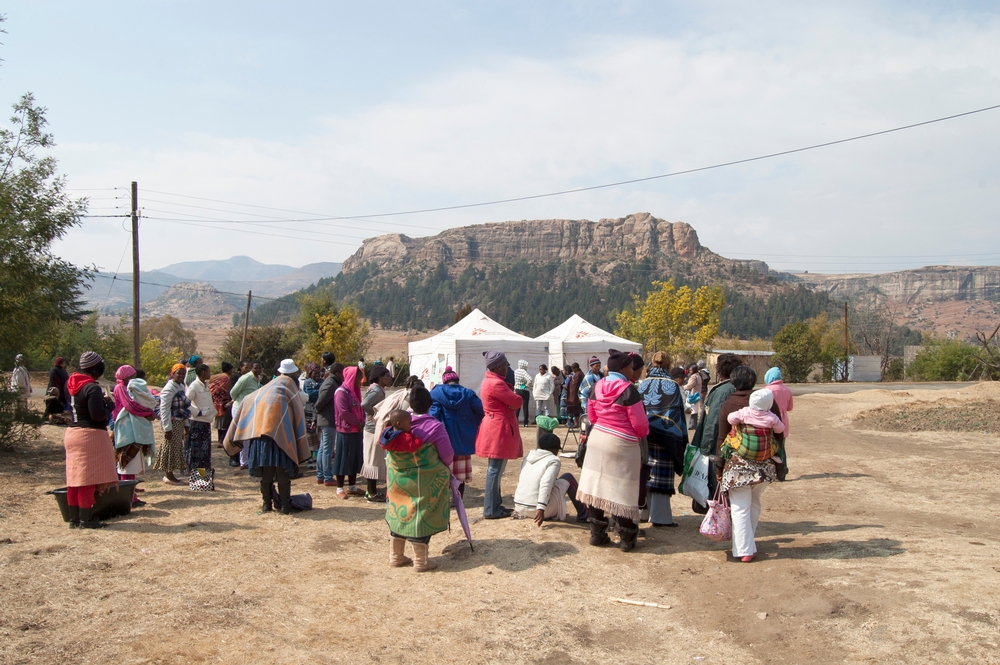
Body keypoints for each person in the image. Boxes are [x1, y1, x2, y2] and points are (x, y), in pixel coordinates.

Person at [577, 349, 650, 552]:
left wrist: (604, 428)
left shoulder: (596, 386)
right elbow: (640, 425)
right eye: (630, 367)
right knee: (622, 490)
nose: (632, 370)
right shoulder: (628, 390)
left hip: (598, 439)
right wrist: (632, 435)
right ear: (623, 368)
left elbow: (591, 416)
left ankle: (597, 534)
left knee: (596, 487)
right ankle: (626, 539)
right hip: (622, 443)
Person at [224, 359, 311, 514]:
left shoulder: (268, 387)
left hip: (262, 436)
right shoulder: (289, 387)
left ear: (279, 372)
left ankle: (266, 505)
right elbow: (298, 411)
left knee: (267, 472)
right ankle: (284, 506)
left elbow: (248, 399)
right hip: (282, 437)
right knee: (282, 471)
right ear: (293, 373)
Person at [380, 402, 453, 573]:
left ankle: (396, 556)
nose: (410, 426)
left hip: (397, 482)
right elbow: (444, 455)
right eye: (407, 424)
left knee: (398, 516)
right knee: (420, 516)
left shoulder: (386, 435)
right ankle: (421, 562)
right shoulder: (433, 428)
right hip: (418, 482)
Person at [719, 386, 785, 562]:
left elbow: (730, 418)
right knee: (754, 503)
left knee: (740, 507)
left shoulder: (744, 412)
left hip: (739, 468)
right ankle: (748, 542)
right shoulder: (771, 416)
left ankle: (744, 549)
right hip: (763, 469)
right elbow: (780, 430)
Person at [63, 351, 118, 529]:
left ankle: (74, 519)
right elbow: (98, 415)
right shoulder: (92, 388)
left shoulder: (71, 385)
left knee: (74, 478)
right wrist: (109, 405)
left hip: (73, 433)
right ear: (96, 368)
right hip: (89, 436)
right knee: (87, 479)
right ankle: (87, 519)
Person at [637, 352, 687, 527]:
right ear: (668, 365)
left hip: (644, 434)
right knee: (661, 473)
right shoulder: (672, 385)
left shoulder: (642, 384)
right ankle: (660, 517)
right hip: (666, 436)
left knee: (645, 471)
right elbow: (677, 413)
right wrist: (681, 438)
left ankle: (642, 513)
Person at [688, 353, 743, 512]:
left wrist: (704, 448)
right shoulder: (736, 387)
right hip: (733, 444)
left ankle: (718, 518)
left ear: (720, 370)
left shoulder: (722, 391)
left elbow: (712, 422)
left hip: (718, 446)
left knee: (716, 484)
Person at [475, 350, 523, 519]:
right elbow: (516, 401)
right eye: (505, 365)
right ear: (499, 366)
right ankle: (491, 509)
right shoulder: (496, 384)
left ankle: (495, 505)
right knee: (495, 470)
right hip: (498, 428)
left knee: (496, 469)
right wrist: (514, 398)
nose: (507, 368)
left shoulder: (490, 382)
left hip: (495, 425)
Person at [429, 366, 484, 497]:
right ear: (457, 380)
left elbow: (433, 415)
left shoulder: (436, 394)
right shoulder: (468, 393)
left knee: (442, 469)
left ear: (444, 381)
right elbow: (481, 410)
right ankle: (457, 499)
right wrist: (471, 422)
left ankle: (444, 498)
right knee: (460, 473)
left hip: (443, 439)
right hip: (464, 438)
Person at [514, 431, 588, 524]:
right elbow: (546, 483)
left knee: (558, 479)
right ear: (553, 450)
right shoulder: (553, 460)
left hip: (520, 506)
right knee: (568, 477)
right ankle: (584, 514)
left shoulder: (528, 457)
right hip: (538, 510)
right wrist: (541, 508)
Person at [113, 367, 158, 508]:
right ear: (126, 377)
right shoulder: (121, 388)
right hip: (126, 428)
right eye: (132, 377)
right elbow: (130, 405)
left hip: (131, 428)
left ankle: (130, 492)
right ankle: (128, 497)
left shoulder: (127, 388)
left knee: (131, 463)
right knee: (127, 463)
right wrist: (148, 412)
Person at [360, 365, 394, 501]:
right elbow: (364, 404)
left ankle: (371, 492)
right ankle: (371, 493)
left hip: (371, 429)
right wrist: (376, 414)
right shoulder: (377, 390)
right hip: (372, 429)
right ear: (380, 378)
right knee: (373, 460)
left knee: (372, 459)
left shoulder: (377, 389)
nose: (390, 378)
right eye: (387, 376)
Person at [332, 365, 365, 498]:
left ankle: (352, 486)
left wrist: (362, 421)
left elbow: (360, 409)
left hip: (357, 430)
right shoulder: (341, 392)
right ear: (352, 377)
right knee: (343, 458)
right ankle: (340, 488)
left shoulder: (354, 392)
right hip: (345, 431)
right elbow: (344, 412)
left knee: (354, 458)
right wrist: (358, 422)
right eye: (358, 377)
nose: (360, 380)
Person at [155, 364, 191, 485]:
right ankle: (169, 475)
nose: (181, 376)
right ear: (172, 374)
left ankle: (171, 474)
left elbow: (183, 407)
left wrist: (186, 424)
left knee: (176, 448)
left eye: (183, 373)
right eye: (178, 373)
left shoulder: (180, 386)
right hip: (172, 422)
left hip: (179, 421)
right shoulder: (169, 388)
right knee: (170, 448)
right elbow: (164, 409)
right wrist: (167, 429)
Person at [313, 362, 344, 486]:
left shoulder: (331, 381)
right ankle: (327, 477)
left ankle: (321, 475)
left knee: (323, 449)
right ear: (337, 373)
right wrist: (317, 414)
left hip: (326, 418)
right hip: (328, 419)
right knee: (327, 449)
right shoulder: (331, 384)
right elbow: (320, 402)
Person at [185, 364, 215, 488]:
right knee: (197, 453)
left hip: (205, 423)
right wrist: (198, 412)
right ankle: (198, 482)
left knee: (205, 453)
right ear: (203, 372)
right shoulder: (194, 386)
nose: (210, 373)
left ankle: (204, 480)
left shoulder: (206, 385)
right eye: (208, 371)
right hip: (197, 423)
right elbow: (185, 402)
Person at [764, 366, 793, 477]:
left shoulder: (767, 390)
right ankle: (782, 472)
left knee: (769, 447)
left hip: (769, 421)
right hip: (783, 422)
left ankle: (770, 473)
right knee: (781, 448)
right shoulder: (787, 390)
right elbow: (790, 408)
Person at [209, 362, 235, 446]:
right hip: (223, 403)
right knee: (224, 422)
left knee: (220, 422)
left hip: (216, 402)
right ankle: (222, 440)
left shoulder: (218, 377)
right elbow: (225, 390)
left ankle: (220, 440)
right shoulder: (226, 379)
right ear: (229, 370)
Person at [513, 359, 533, 427]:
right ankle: (525, 423)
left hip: (517, 390)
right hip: (524, 390)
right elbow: (530, 379)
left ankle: (515, 421)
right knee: (525, 407)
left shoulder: (515, 371)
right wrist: (526, 385)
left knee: (517, 407)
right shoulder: (524, 372)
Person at [684, 363, 703, 430]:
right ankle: (693, 424)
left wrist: (682, 387)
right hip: (697, 394)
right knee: (694, 409)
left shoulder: (693, 377)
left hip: (693, 395)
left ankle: (692, 425)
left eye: (691, 370)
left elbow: (689, 385)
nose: (690, 371)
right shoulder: (698, 375)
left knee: (691, 410)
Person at [565, 363, 584, 427]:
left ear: (576, 368)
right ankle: (576, 423)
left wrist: (570, 379)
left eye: (573, 369)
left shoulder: (578, 374)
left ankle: (577, 423)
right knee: (576, 410)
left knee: (576, 410)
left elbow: (575, 385)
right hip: (576, 395)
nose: (572, 370)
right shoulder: (578, 373)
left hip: (576, 395)